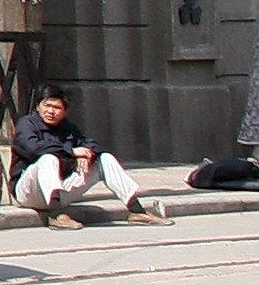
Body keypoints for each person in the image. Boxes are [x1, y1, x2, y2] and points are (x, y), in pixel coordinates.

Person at [13, 91, 166, 226]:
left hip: (59, 191)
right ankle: (56, 216)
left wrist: (88, 155)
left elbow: (94, 146)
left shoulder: (68, 128)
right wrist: (72, 152)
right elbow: (33, 149)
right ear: (39, 106)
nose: (51, 111)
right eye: (47, 106)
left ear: (65, 111)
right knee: (48, 159)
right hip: (28, 192)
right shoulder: (27, 124)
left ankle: (137, 210)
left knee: (105, 158)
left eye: (57, 108)